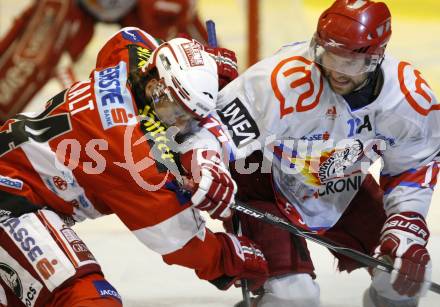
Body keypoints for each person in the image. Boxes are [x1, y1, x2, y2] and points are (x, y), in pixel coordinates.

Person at [181, 0, 440, 306]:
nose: (336, 72)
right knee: (294, 297)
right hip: (265, 180)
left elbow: (414, 164)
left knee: (403, 277)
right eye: (328, 55)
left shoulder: (408, 99)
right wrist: (207, 166)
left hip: (339, 182)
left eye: (349, 63)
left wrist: (406, 221)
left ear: (376, 56)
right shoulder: (280, 80)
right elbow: (209, 133)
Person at [0, 27, 268, 306]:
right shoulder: (128, 153)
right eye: (176, 111)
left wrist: (201, 62)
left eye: (189, 118)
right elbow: (178, 241)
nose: (179, 125)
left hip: (23, 185)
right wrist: (229, 256)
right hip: (14, 199)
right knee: (86, 298)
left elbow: (128, 36)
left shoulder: (132, 59)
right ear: (155, 87)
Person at [0, 0, 212, 122]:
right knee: (27, 63)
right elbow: (19, 33)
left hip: (150, 10)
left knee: (176, 65)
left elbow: (199, 46)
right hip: (77, 6)